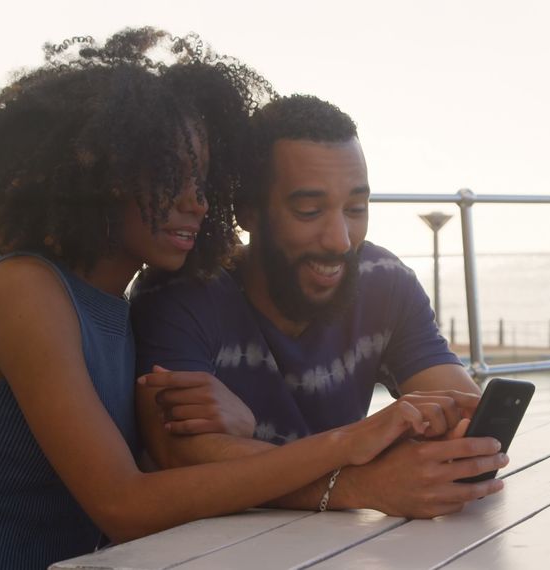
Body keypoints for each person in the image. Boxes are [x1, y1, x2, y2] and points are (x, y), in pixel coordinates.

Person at [0, 30, 504, 570]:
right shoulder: (26, 292)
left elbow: (156, 468)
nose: (199, 202)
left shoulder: (114, 305)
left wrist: (248, 426)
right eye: (174, 177)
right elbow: (126, 501)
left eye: (205, 181)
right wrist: (350, 451)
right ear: (99, 176)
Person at [130, 94, 505, 519]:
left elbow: (466, 426)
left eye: (356, 209)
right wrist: (362, 483)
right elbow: (182, 457)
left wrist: (439, 438)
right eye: (309, 211)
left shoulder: (384, 281)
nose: (340, 241)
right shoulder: (181, 293)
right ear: (248, 210)